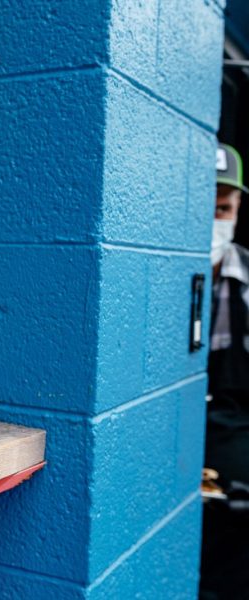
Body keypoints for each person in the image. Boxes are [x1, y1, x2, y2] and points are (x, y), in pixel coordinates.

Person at [200, 142, 249, 599]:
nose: (216, 219)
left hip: (234, 418)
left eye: (223, 208)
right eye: (206, 206)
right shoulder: (170, 272)